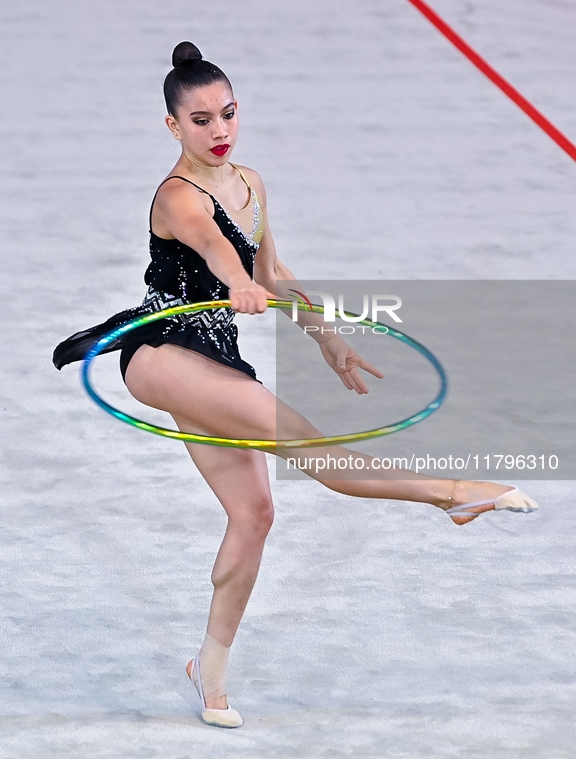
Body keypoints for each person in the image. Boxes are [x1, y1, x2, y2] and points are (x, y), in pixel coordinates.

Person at [53, 41, 539, 729]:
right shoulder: (176, 196)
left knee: (254, 516)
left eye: (227, 114)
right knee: (311, 444)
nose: (217, 131)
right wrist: (237, 284)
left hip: (215, 355)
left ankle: (209, 673)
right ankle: (451, 494)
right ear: (172, 127)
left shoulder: (249, 179)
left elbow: (271, 271)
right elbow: (219, 251)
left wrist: (327, 337)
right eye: (199, 121)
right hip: (162, 349)